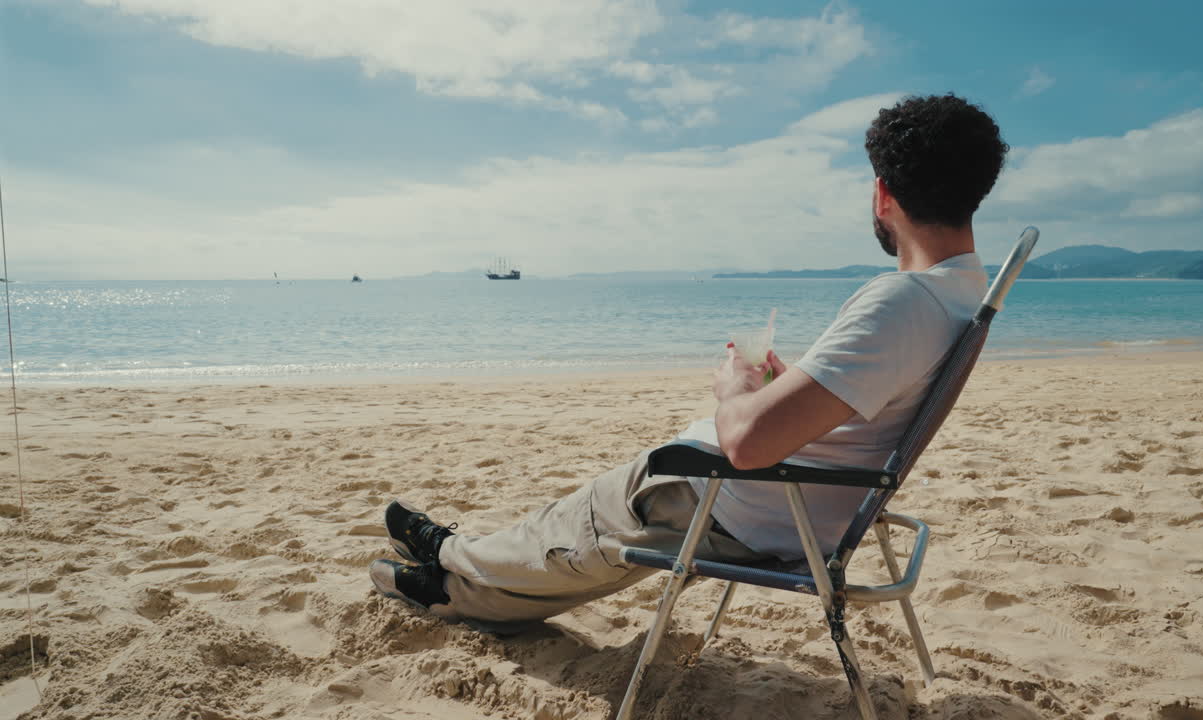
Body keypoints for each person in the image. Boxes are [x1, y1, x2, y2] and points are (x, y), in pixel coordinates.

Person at [371, 94, 1009, 628]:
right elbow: (860, 410)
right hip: (797, 506)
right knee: (553, 539)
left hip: (738, 506)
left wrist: (734, 389)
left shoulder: (900, 302)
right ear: (975, 191)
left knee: (561, 538)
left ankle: (448, 569)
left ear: (881, 194)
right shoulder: (959, 293)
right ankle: (454, 557)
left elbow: (749, 443)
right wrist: (786, 384)